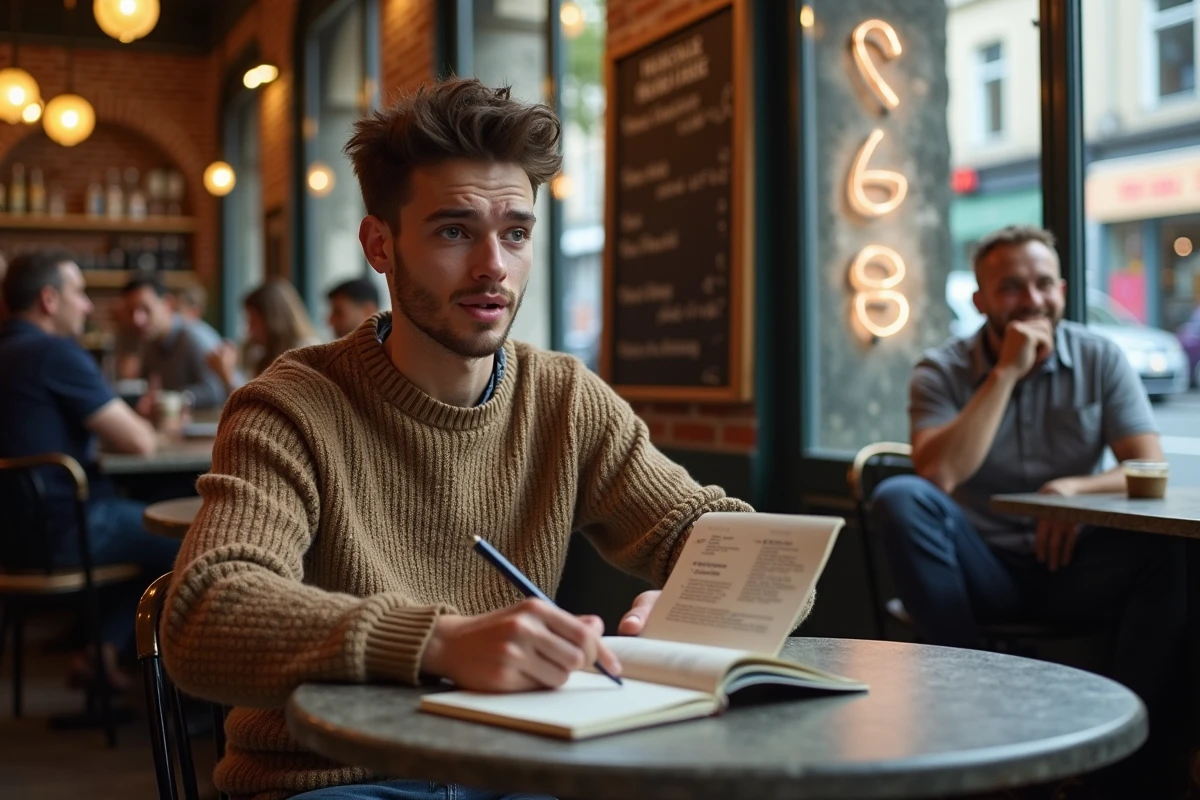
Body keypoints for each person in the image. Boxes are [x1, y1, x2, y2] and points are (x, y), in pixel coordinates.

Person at [162, 78, 757, 800]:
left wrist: (698, 603)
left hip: (517, 766)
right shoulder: (290, 405)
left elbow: (731, 539)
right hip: (336, 779)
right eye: (454, 231)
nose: (493, 266)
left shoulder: (564, 398)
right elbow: (205, 615)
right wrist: (440, 643)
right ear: (380, 245)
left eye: (515, 233)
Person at [870, 224, 1186, 789]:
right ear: (980, 301)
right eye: (1012, 287)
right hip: (979, 570)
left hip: (1073, 565)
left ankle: (1129, 767)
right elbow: (939, 474)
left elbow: (1149, 468)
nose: (1032, 300)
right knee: (900, 497)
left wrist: (1072, 493)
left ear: (1062, 289)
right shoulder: (939, 370)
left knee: (1171, 549)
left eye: (1043, 283)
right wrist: (1006, 373)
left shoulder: (1100, 357)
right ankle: (975, 720)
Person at [0, 251, 180, 690]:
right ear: (48, 300)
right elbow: (138, 441)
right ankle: (195, 694)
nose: (86, 305)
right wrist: (159, 428)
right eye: (78, 293)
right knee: (192, 538)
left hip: (15, 533)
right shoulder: (53, 352)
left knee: (151, 529)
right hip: (66, 529)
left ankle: (101, 652)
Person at [122, 277, 228, 411]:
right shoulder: (149, 339)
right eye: (131, 311)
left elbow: (217, 392)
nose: (137, 320)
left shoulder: (194, 338)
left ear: (168, 304)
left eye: (146, 309)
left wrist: (172, 399)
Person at [206, 278, 322, 393]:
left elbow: (258, 401)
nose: (249, 330)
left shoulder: (306, 353)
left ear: (272, 321)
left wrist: (227, 375)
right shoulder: (259, 353)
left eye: (253, 321)